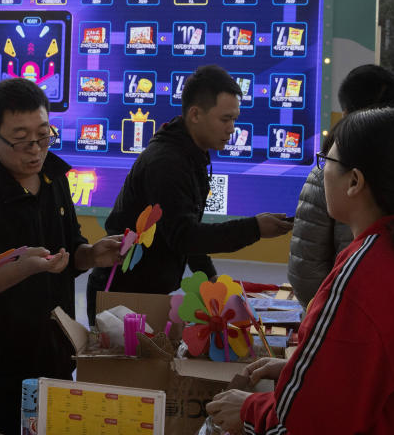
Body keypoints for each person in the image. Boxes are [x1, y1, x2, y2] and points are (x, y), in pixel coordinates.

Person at [206, 109, 394, 434]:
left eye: (326, 161)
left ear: (354, 181)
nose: (321, 172)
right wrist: (302, 370)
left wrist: (249, 409)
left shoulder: (364, 272)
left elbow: (307, 425)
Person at [0, 78, 122, 434]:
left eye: (43, 135)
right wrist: (18, 270)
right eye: (20, 139)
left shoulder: (54, 178)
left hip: (53, 356)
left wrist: (91, 255)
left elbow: (70, 248)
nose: (35, 149)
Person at [85, 65, 293, 324]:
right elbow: (185, 237)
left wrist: (211, 281)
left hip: (147, 292)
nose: (232, 129)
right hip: (120, 298)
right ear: (195, 114)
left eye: (235, 119)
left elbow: (185, 231)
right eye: (225, 119)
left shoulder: (192, 155)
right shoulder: (167, 163)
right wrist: (255, 228)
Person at [288, 64, 394, 308]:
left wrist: (330, 317)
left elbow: (306, 273)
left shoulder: (329, 172)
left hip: (344, 320)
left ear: (345, 113)